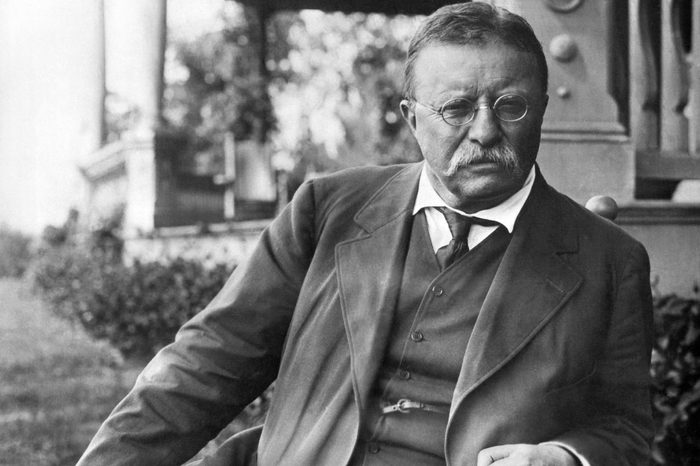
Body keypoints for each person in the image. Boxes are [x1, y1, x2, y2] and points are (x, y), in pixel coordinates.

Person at [78, 3, 653, 465]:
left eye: (511, 106)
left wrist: (563, 456)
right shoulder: (326, 210)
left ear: (544, 110)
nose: (484, 130)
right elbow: (206, 365)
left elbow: (627, 430)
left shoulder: (608, 261)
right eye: (456, 108)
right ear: (410, 118)